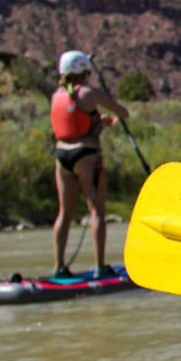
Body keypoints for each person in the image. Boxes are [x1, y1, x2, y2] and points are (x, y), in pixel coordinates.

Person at [50, 50, 130, 278]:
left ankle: (59, 267)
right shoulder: (90, 94)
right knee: (96, 211)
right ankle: (100, 267)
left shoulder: (56, 95)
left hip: (62, 156)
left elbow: (72, 123)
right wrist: (106, 117)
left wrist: (97, 122)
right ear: (82, 71)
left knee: (64, 213)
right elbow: (123, 112)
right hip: (86, 156)